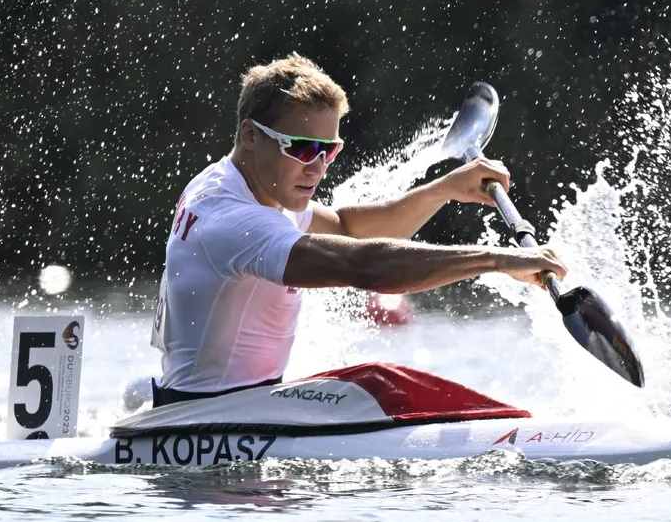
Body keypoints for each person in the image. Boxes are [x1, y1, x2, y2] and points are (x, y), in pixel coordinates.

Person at [150, 54, 566, 407]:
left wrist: (444, 189)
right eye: (301, 147)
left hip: (228, 404)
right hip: (210, 415)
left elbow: (348, 229)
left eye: (329, 150)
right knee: (382, 386)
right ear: (249, 135)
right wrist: (496, 260)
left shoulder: (249, 184)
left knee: (378, 385)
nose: (317, 167)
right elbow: (365, 266)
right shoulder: (232, 219)